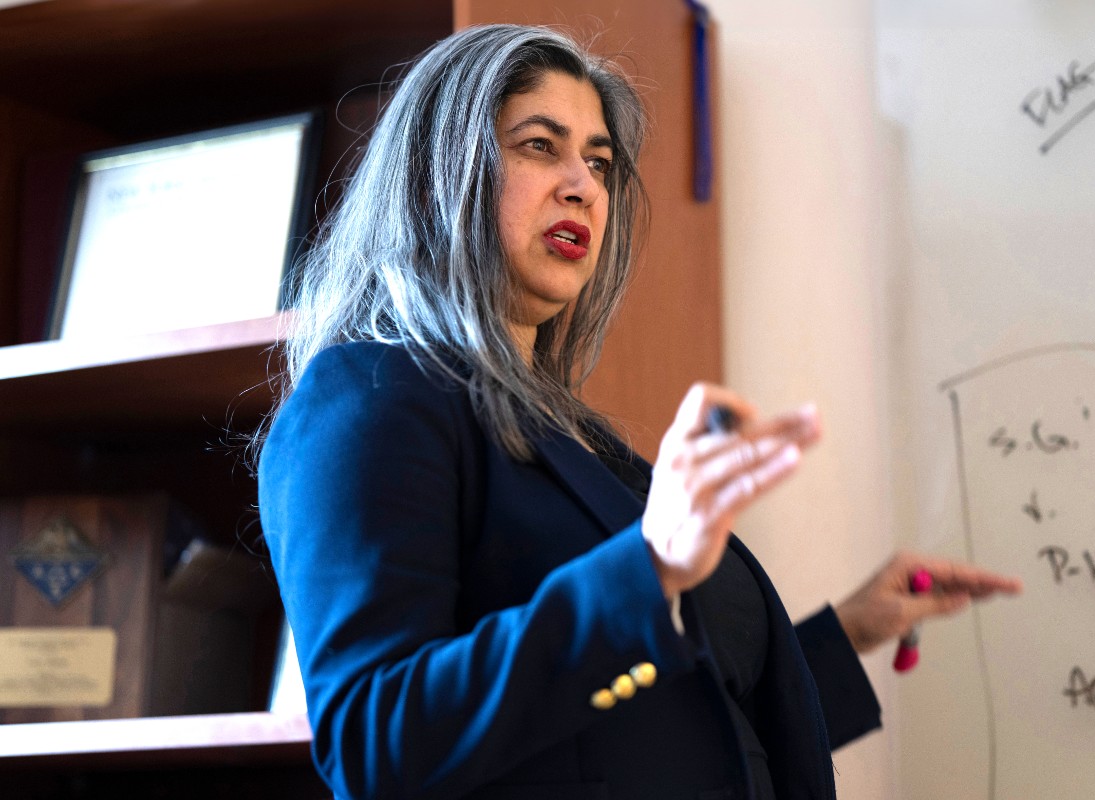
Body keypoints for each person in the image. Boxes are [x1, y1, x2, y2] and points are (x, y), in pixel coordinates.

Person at [256, 23, 1020, 800]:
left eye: (598, 161)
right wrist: (649, 567)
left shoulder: (583, 447)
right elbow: (375, 741)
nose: (583, 185)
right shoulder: (369, 398)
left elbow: (682, 725)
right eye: (538, 146)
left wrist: (853, 627)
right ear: (436, 175)